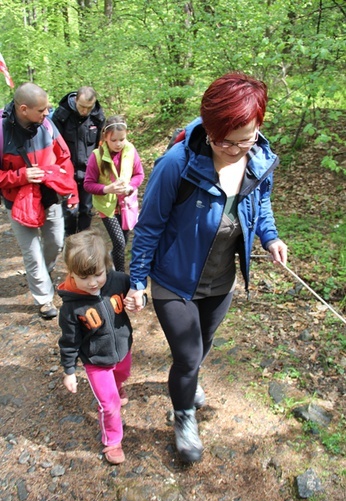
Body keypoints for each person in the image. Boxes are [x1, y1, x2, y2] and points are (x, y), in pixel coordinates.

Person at [124, 71, 288, 463]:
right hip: (174, 280)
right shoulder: (176, 165)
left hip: (220, 279)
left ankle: (189, 381)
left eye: (244, 140)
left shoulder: (259, 160)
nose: (234, 149)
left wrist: (271, 237)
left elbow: (259, 206)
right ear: (210, 129)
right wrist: (137, 281)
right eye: (223, 140)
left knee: (203, 346)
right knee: (188, 356)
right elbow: (148, 227)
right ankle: (184, 417)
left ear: (258, 126)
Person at [0, 82, 78, 319]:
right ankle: (44, 298)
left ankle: (44, 272)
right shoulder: (2, 133)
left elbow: (64, 157)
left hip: (49, 197)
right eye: (42, 110)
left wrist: (71, 191)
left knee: (55, 242)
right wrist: (20, 176)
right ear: (24, 109)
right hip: (20, 204)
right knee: (31, 252)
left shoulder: (46, 124)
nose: (47, 114)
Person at [57, 229, 133, 465]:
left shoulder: (119, 281)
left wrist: (137, 299)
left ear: (106, 265)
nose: (92, 283)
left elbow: (136, 293)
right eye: (83, 277)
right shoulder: (71, 308)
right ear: (71, 273)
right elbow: (69, 341)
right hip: (96, 361)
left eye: (97, 274)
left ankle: (118, 386)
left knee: (123, 374)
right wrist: (69, 370)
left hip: (122, 350)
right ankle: (112, 441)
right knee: (109, 405)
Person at [84, 115, 145, 272]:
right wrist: (107, 189)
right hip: (107, 207)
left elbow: (139, 174)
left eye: (122, 139)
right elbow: (88, 184)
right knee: (120, 242)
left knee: (123, 241)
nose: (118, 144)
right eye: (114, 140)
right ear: (105, 138)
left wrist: (130, 187)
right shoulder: (96, 156)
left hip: (126, 205)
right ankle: (120, 275)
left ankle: (113, 260)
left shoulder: (130, 151)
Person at [52, 86, 105, 236]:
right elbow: (55, 145)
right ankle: (69, 238)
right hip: (67, 170)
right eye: (82, 106)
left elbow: (99, 145)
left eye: (89, 107)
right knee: (70, 209)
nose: (85, 111)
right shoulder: (61, 115)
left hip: (88, 170)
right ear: (75, 100)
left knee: (86, 209)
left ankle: (83, 239)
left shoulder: (97, 116)